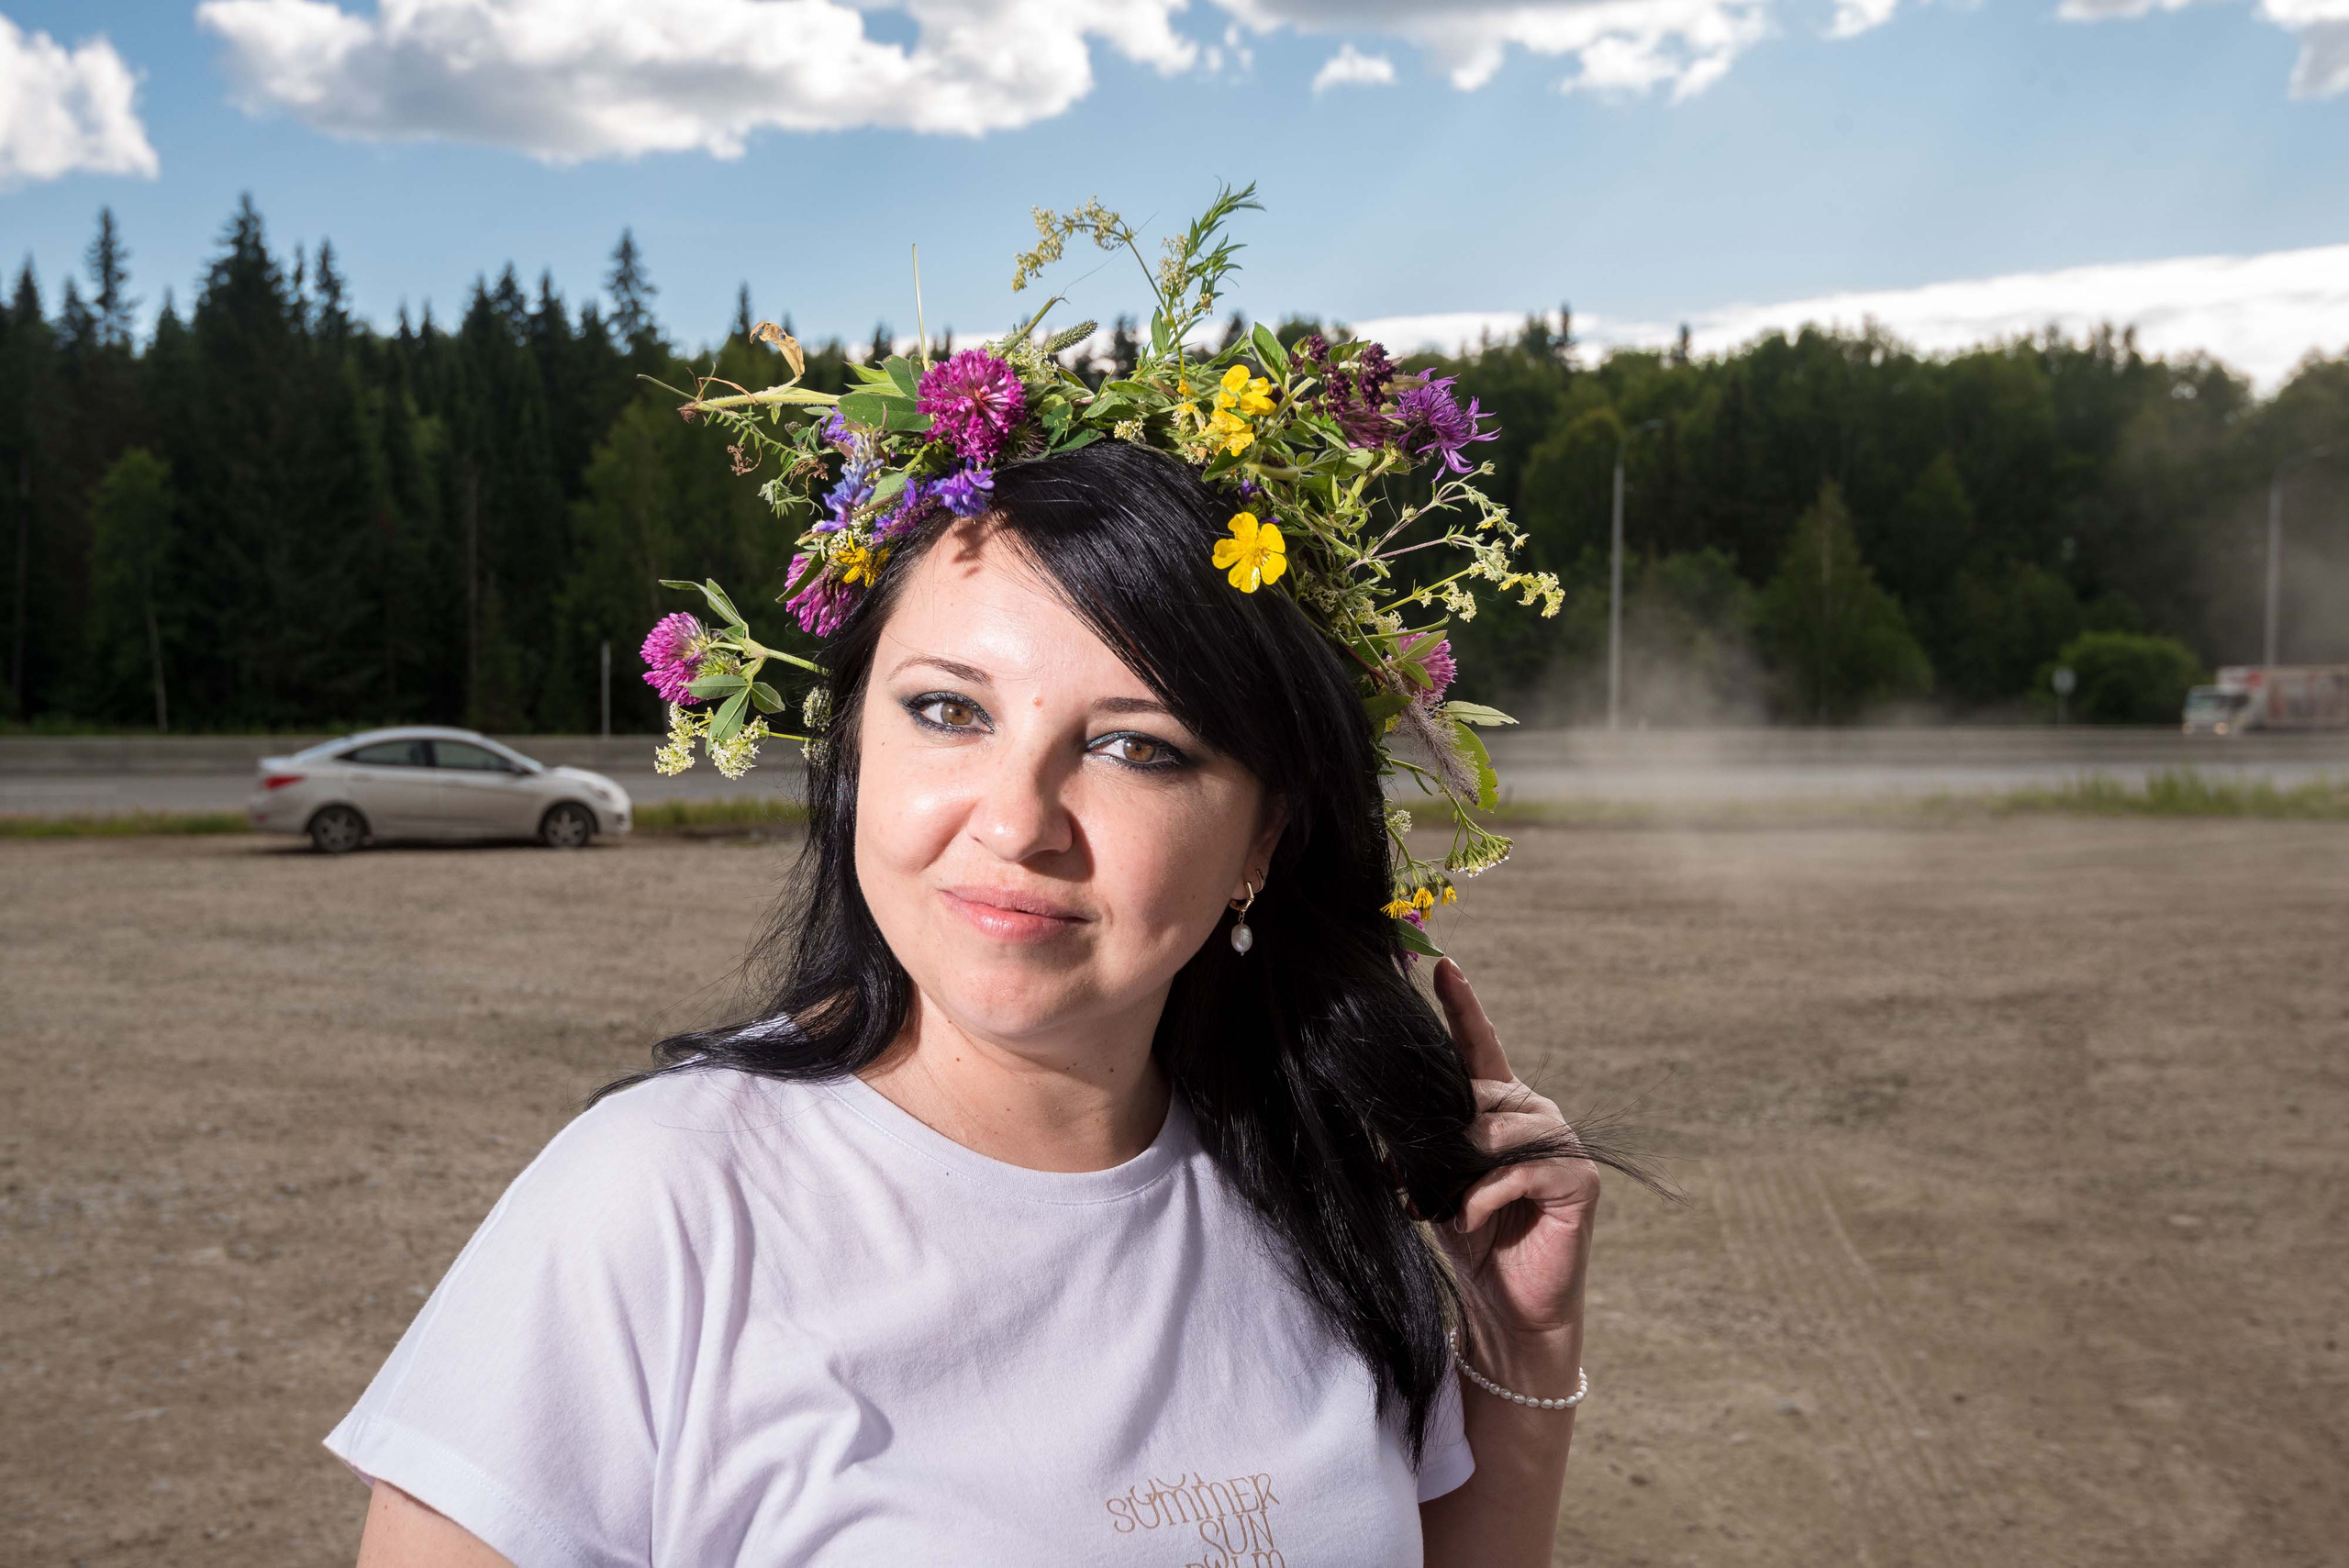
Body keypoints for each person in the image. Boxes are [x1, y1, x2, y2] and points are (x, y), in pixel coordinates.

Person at [333, 192, 1636, 1566]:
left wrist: (1520, 1347)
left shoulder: (1323, 1191)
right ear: (851, 753)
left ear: (1264, 839)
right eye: (951, 711)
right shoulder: (658, 1208)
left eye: (1135, 746)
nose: (1017, 820)